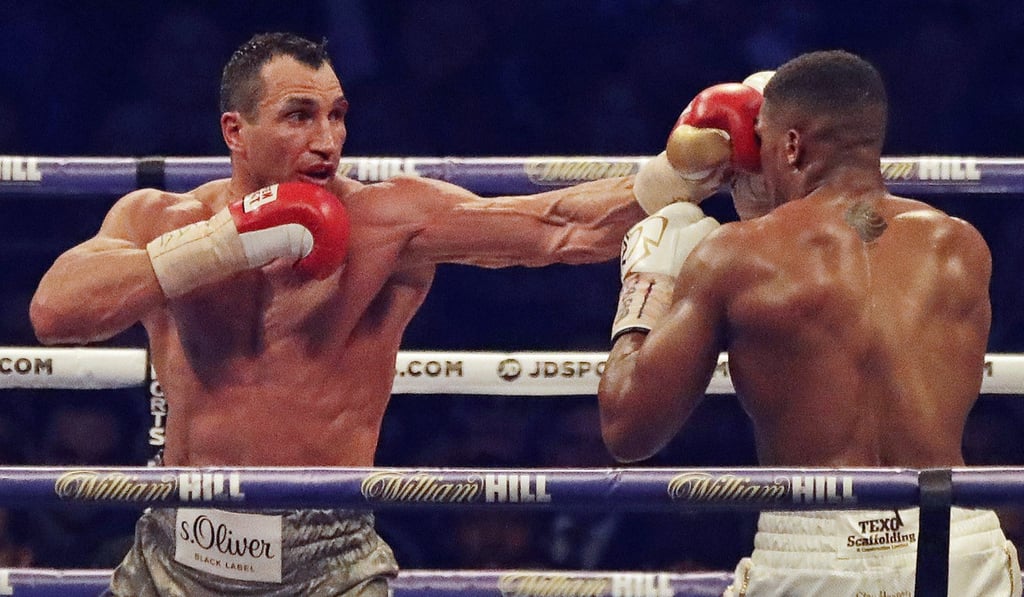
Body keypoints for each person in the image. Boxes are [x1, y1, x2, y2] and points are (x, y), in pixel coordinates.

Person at [29, 32, 656, 596]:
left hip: (329, 557)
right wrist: (224, 243)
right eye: (299, 116)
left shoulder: (385, 221)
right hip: (177, 547)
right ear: (234, 131)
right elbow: (56, 313)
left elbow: (560, 228)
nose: (326, 141)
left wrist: (678, 176)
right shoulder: (160, 220)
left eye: (337, 116)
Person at [597, 50, 1022, 596]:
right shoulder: (961, 246)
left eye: (766, 149)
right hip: (956, 539)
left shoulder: (738, 257)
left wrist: (646, 286)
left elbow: (627, 428)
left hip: (817, 548)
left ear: (792, 146)